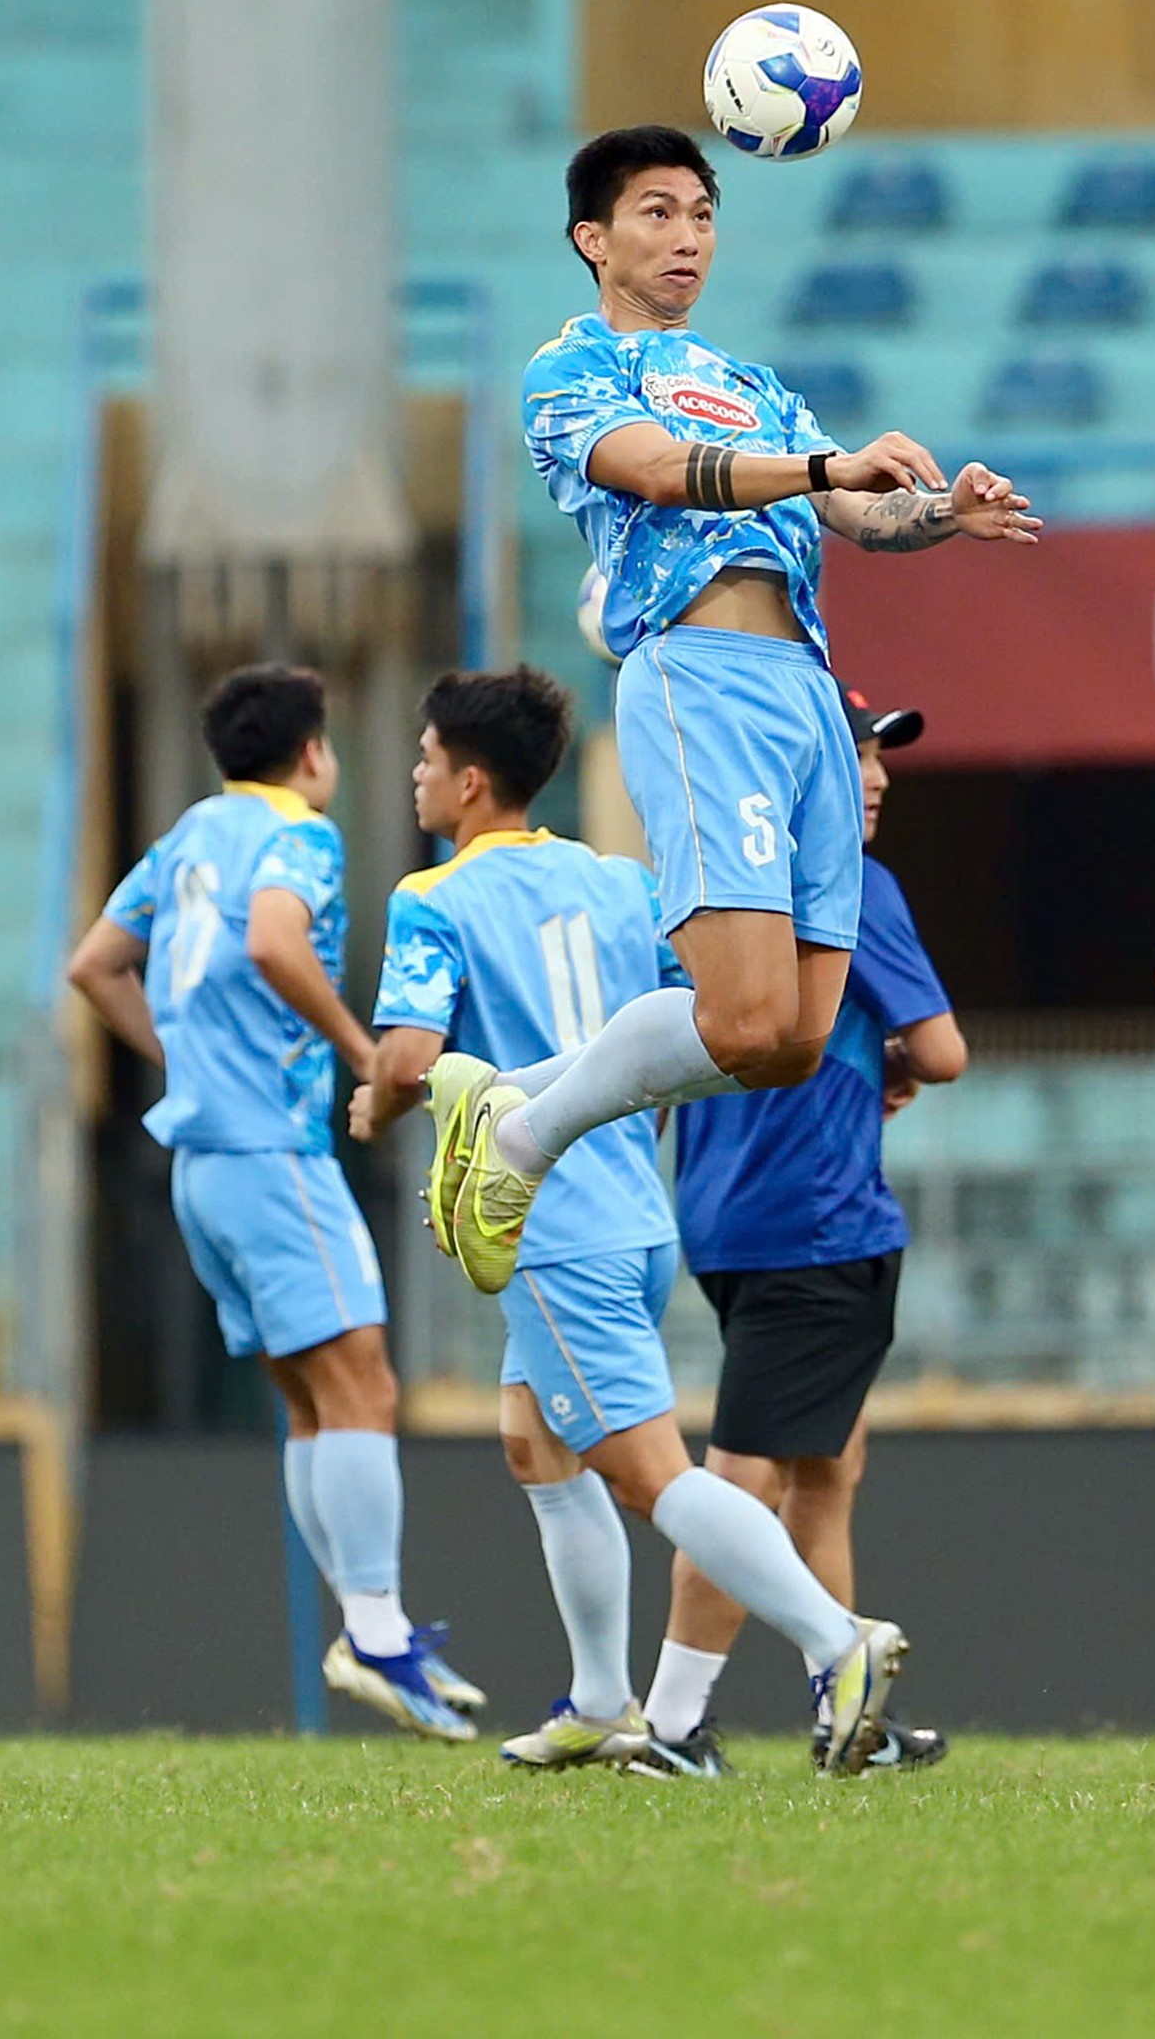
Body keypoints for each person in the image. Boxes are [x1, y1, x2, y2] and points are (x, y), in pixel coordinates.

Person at [430, 124, 1037, 1300]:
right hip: (698, 676)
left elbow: (863, 516)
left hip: (807, 689)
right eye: (656, 212)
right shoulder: (571, 371)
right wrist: (824, 470)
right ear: (591, 239)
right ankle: (521, 1139)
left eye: (702, 214)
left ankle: (520, 1093)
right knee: (741, 1008)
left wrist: (941, 515)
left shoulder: (753, 385)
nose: (687, 237)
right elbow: (658, 472)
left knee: (793, 1042)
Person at [353, 666, 906, 1775]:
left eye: (422, 758)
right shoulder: (614, 880)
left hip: (548, 1216)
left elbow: (410, 1056)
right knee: (536, 1441)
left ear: (468, 781)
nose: (414, 774)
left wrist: (374, 1095)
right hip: (631, 1205)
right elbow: (683, 1018)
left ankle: (832, 1641)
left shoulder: (435, 896)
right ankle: (602, 1698)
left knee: (652, 1471)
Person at [65, 664, 482, 1741]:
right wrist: (361, 1054)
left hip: (204, 1156)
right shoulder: (298, 830)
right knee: (365, 1384)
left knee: (309, 1397)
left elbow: (97, 964)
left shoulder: (189, 835)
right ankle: (379, 1632)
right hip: (274, 1154)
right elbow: (271, 939)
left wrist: (183, 1056)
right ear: (310, 754)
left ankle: (368, 1623)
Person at [647, 683, 965, 1774]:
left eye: (879, 757)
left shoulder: (708, 896)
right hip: (819, 1225)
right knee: (743, 1479)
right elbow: (944, 1048)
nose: (874, 778)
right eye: (854, 757)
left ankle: (847, 1719)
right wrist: (891, 1057)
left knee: (826, 1468)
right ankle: (673, 1724)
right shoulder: (852, 884)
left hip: (723, 1218)